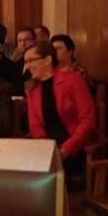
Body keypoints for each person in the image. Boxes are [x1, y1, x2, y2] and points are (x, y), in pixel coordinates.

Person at [23, 42, 95, 172]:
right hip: (48, 146)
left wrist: (65, 149)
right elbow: (35, 125)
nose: (27, 66)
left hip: (75, 144)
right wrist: (45, 147)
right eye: (26, 62)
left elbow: (88, 121)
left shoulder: (73, 81)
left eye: (31, 61)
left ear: (47, 60)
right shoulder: (33, 89)